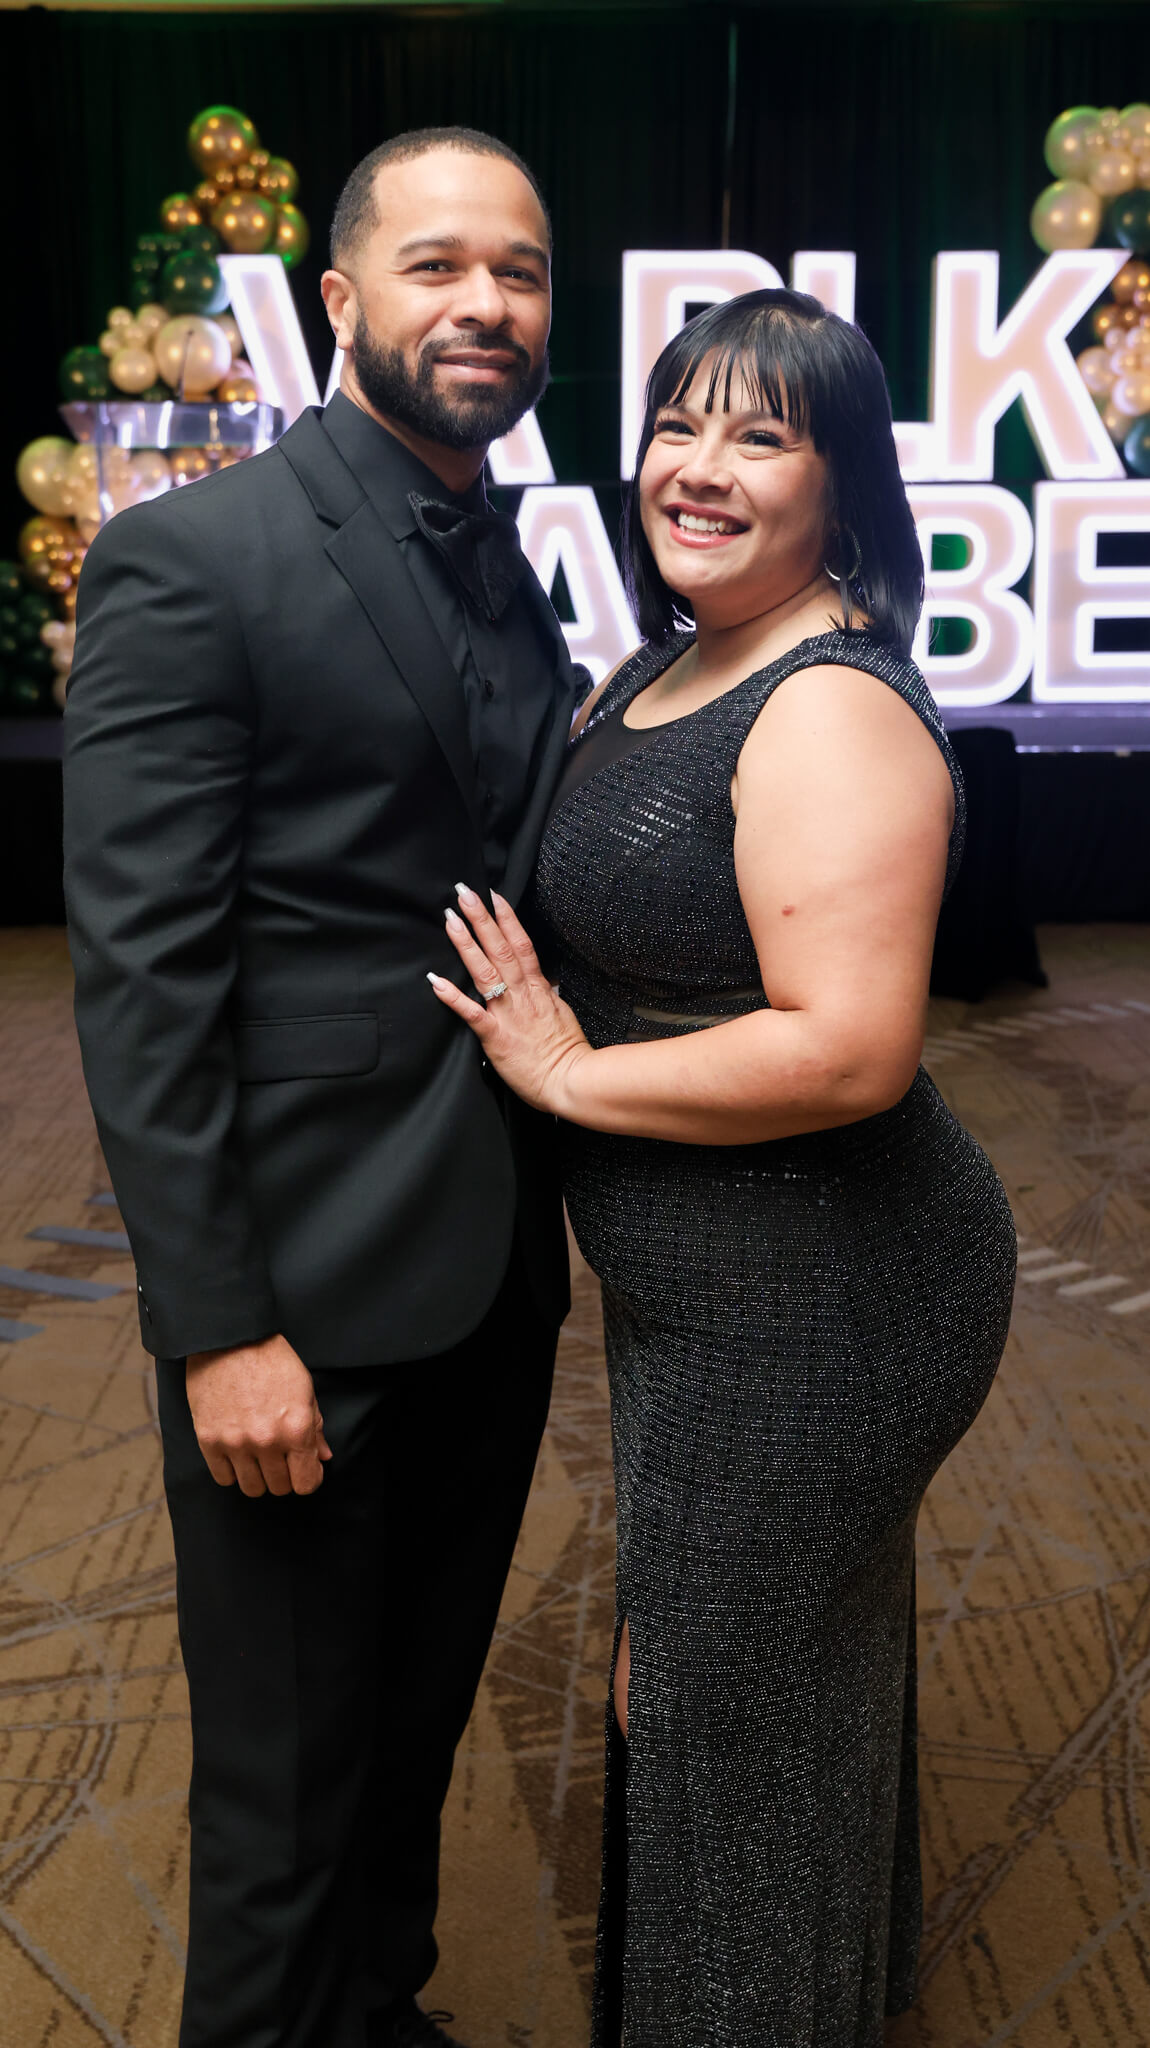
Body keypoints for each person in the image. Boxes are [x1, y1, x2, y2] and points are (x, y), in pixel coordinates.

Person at [431, 288, 1017, 2047]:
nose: (698, 467)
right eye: (678, 424)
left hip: (832, 1300)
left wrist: (566, 1072)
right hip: (710, 1302)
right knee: (775, 1685)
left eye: (760, 436)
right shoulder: (672, 658)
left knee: (705, 1703)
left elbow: (847, 1049)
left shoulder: (826, 704)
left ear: (842, 490)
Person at [63, 127, 582, 2048]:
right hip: (297, 1302)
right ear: (342, 298)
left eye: (519, 271)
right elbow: (144, 978)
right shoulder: (192, 559)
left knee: (412, 1731)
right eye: (439, 266)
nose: (486, 303)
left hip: (489, 1272)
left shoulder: (510, 552)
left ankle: (378, 2018)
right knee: (280, 1800)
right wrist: (216, 1331)